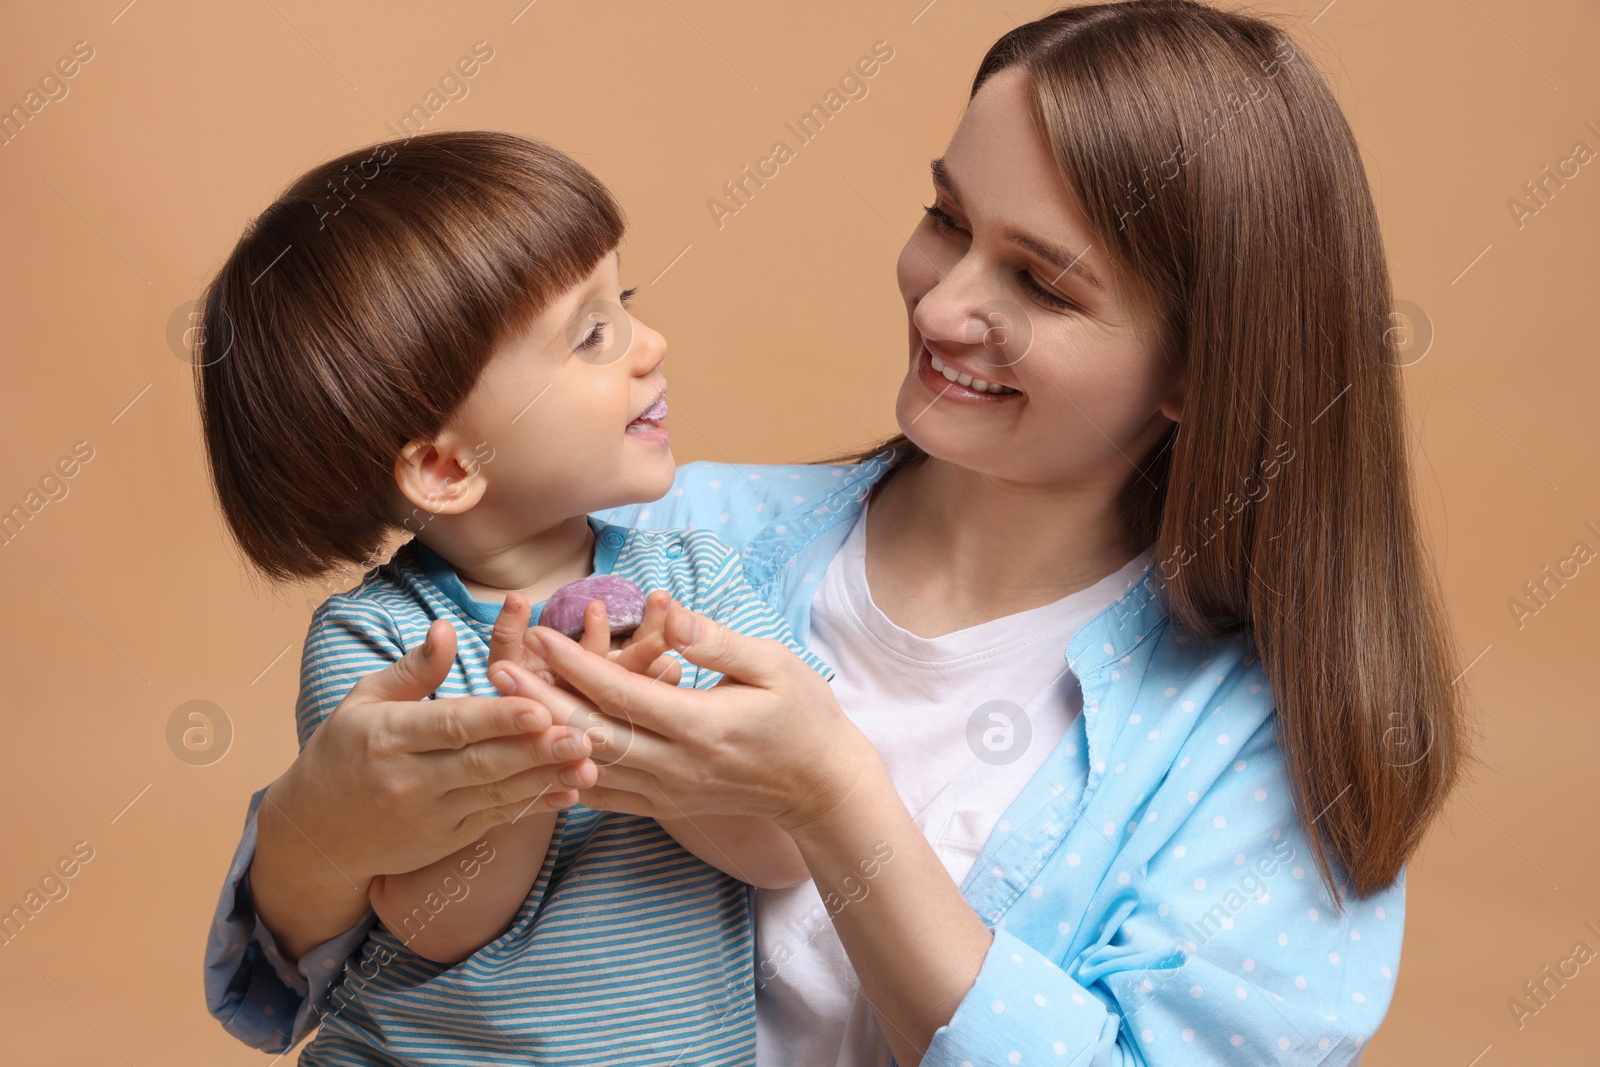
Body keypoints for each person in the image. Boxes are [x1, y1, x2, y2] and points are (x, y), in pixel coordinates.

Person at [204, 3, 1466, 1064]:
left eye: (1041, 280)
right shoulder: (654, 535)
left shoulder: (1266, 747)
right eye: (946, 218)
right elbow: (320, 963)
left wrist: (835, 801)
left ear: (1195, 369)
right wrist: (314, 834)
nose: (946, 300)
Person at [194, 130, 835, 1064]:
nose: (650, 346)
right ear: (449, 466)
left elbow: (787, 844)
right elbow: (430, 921)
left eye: (627, 305)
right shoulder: (386, 643)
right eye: (592, 335)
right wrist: (544, 735)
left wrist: (640, 733)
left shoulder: (697, 585)